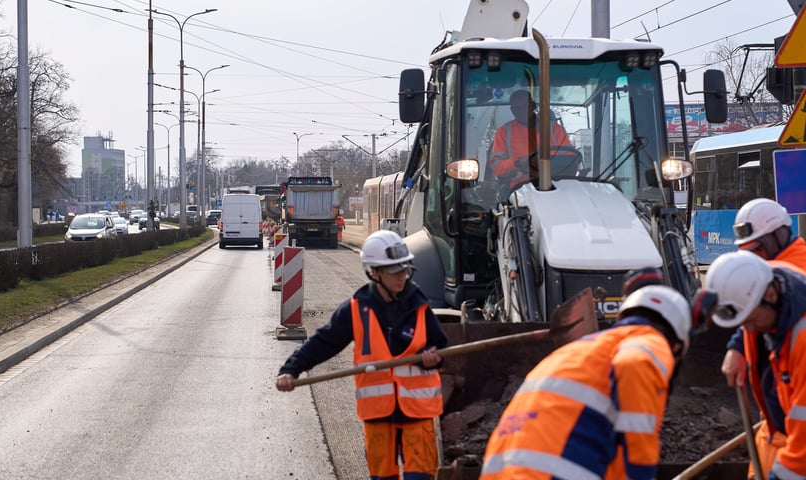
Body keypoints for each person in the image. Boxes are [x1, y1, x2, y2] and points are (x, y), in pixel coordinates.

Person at [276, 230, 448, 480]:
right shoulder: (357, 309)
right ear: (374, 272)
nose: (403, 276)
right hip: (378, 415)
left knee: (421, 477)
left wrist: (434, 357)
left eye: (404, 269)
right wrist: (291, 369)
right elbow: (324, 342)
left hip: (417, 414)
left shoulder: (419, 305)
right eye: (394, 271)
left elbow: (441, 347)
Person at [481, 284, 691, 480]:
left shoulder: (576, 352)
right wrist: (641, 472)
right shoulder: (649, 340)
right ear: (677, 346)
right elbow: (633, 363)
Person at [702, 251, 806, 480]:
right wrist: (737, 346)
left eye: (750, 320)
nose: (748, 331)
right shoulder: (769, 278)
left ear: (770, 295)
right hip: (780, 433)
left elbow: (803, 448)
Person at [723, 198, 806, 479]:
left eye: (758, 249)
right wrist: (738, 345)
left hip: (792, 418)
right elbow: (756, 308)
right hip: (775, 419)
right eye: (747, 252)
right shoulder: (765, 275)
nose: (754, 258)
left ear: (780, 236)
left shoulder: (795, 272)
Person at [488, 89, 573, 188]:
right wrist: (517, 163)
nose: (521, 111)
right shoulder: (503, 132)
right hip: (519, 187)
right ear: (512, 110)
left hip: (557, 183)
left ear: (533, 106)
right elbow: (496, 166)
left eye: (525, 106)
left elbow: (571, 158)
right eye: (517, 108)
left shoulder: (554, 129)